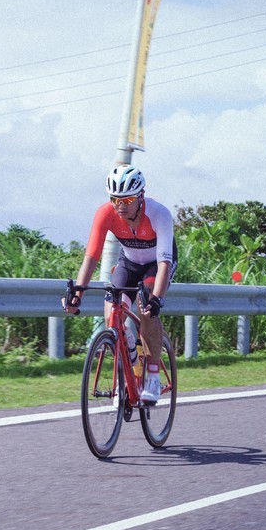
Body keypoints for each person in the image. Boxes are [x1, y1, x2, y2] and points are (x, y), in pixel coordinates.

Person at [63, 164, 177, 403]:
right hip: (129, 262)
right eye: (115, 200)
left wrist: (156, 300)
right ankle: (132, 371)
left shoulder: (159, 214)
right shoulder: (106, 213)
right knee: (112, 315)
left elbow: (165, 264)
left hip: (157, 264)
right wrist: (78, 295)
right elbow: (91, 257)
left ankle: (153, 378)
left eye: (127, 200)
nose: (120, 206)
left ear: (141, 196)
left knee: (146, 307)